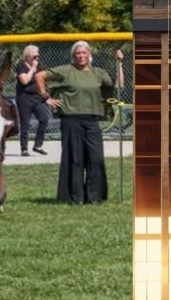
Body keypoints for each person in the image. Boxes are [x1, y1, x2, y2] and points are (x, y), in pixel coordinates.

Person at [36, 41, 123, 204]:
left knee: (95, 158)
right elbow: (39, 76)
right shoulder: (66, 71)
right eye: (78, 53)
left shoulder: (98, 73)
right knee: (75, 159)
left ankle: (94, 196)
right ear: (73, 56)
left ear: (89, 54)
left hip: (92, 120)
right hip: (71, 119)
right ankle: (75, 197)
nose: (81, 56)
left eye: (84, 52)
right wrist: (45, 97)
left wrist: (119, 63)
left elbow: (118, 85)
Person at [13, 45, 52, 157]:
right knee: (25, 123)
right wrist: (32, 69)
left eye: (38, 56)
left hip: (37, 98)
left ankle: (38, 145)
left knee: (44, 119)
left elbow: (43, 79)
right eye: (35, 56)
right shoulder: (21, 65)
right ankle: (24, 149)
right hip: (24, 98)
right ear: (28, 56)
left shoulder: (39, 66)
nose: (37, 58)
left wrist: (45, 94)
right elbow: (24, 81)